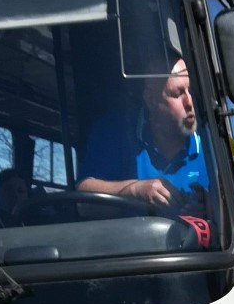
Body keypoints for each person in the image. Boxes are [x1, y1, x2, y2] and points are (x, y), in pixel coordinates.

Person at [77, 57, 209, 214]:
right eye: (177, 93)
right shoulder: (116, 132)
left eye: (190, 90)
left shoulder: (213, 139)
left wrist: (213, 208)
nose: (189, 102)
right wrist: (135, 191)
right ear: (151, 100)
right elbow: (83, 202)